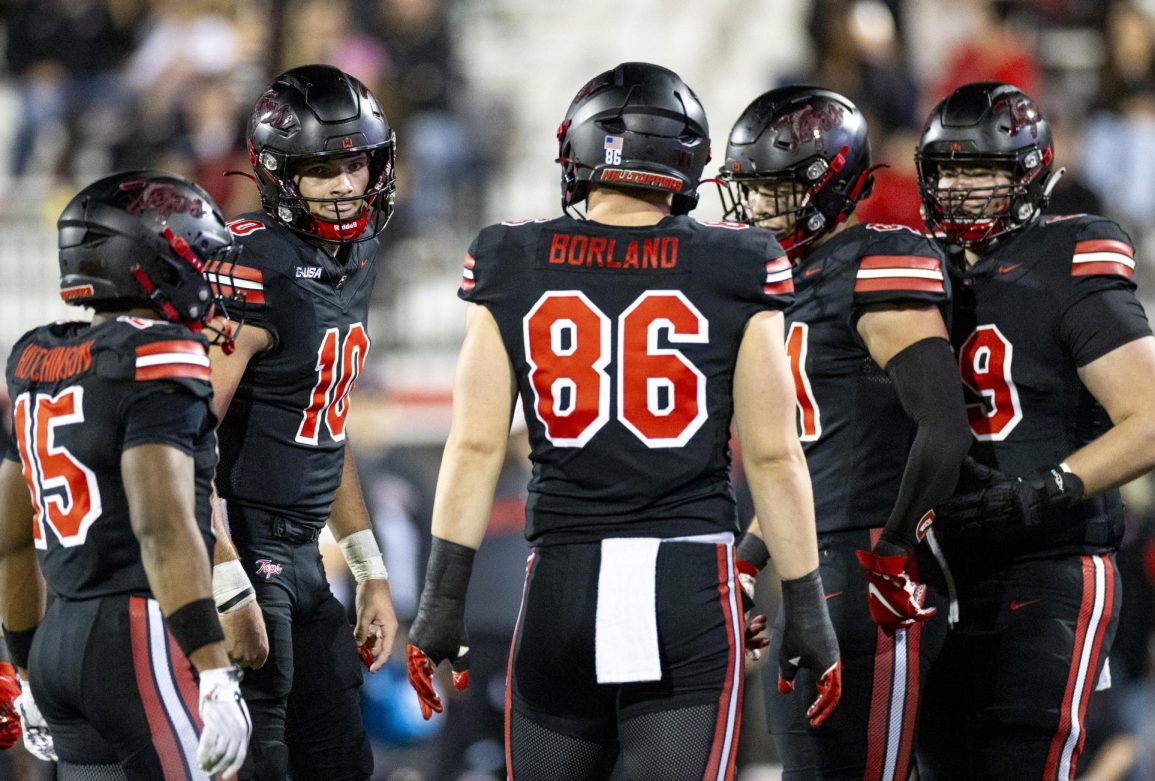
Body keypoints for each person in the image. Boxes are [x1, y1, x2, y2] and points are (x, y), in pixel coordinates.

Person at [405, 61, 842, 779]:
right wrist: (806, 606)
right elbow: (773, 456)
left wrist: (441, 600)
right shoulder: (740, 260)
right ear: (686, 160)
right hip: (685, 585)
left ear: (579, 150)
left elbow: (477, 443)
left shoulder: (512, 255)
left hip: (559, 585)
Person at [913, 81, 1155, 779]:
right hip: (948, 570)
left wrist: (1045, 489)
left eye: (983, 169)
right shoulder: (923, 275)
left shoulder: (1069, 258)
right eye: (948, 168)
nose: (961, 187)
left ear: (1028, 173)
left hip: (1052, 559)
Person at [718, 86, 972, 779]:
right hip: (812, 561)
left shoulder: (876, 262)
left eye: (774, 190)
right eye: (751, 190)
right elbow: (803, 454)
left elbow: (945, 428)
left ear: (826, 184)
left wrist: (894, 549)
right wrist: (749, 559)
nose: (758, 209)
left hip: (865, 566)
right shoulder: (787, 281)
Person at [0, 170, 251, 779]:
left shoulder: (36, 357)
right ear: (153, 262)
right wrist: (213, 669)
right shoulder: (159, 353)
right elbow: (162, 527)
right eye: (197, 257)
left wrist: (27, 666)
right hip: (138, 635)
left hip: (57, 636)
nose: (208, 277)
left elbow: (10, 539)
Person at [205, 64, 400, 780]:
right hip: (246, 544)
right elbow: (182, 440)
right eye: (322, 169)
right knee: (266, 758)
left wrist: (368, 566)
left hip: (304, 556)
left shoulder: (355, 256)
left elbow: (328, 416)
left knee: (344, 758)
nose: (347, 185)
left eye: (354, 163)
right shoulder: (252, 264)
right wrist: (225, 578)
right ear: (282, 175)